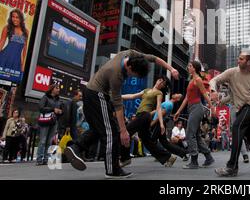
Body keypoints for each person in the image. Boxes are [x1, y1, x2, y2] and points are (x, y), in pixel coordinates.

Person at [64, 49, 179, 179]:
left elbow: (153, 58)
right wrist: (123, 131)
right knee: (112, 133)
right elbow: (118, 105)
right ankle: (113, 169)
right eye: (133, 74)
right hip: (97, 95)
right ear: (129, 66)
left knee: (99, 129)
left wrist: (171, 68)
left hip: (93, 94)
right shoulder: (116, 74)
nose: (131, 77)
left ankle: (76, 147)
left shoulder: (130, 54)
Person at [119, 76, 178, 168]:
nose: (160, 83)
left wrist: (162, 124)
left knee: (126, 132)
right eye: (160, 80)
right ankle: (168, 157)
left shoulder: (159, 93)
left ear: (163, 86)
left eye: (162, 83)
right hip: (140, 116)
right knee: (147, 140)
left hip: (145, 115)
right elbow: (133, 96)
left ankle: (125, 158)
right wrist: (119, 96)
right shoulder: (146, 90)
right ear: (157, 80)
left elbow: (159, 108)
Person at [174, 61, 215, 169]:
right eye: (188, 66)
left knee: (189, 134)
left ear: (195, 68)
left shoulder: (197, 80)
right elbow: (187, 98)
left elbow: (205, 94)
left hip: (197, 108)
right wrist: (178, 111)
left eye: (190, 66)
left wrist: (212, 107)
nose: (188, 67)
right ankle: (209, 157)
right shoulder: (191, 80)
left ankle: (194, 161)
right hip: (191, 108)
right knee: (195, 135)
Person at [149, 93, 189, 161]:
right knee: (164, 143)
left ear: (178, 99)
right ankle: (183, 153)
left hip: (158, 123)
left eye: (178, 95)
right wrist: (148, 115)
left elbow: (160, 115)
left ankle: (162, 155)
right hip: (159, 123)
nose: (175, 94)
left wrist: (152, 124)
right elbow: (157, 110)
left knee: (152, 140)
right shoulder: (168, 103)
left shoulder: (169, 104)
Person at [36, 84, 64, 166]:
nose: (58, 90)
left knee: (49, 142)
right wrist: (52, 109)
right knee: (43, 141)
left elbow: (61, 111)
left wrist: (60, 112)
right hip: (45, 122)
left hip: (54, 122)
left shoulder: (59, 100)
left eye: (59, 88)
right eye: (57, 88)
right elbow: (41, 108)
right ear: (52, 89)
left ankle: (46, 159)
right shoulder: (45, 97)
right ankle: (39, 159)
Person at [0, 9, 29, 82]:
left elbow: (25, 49)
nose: (14, 19)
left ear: (21, 19)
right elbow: (2, 42)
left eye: (17, 17)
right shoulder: (7, 28)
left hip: (16, 61)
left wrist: (23, 64)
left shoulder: (26, 31)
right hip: (4, 58)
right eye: (13, 17)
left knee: (13, 82)